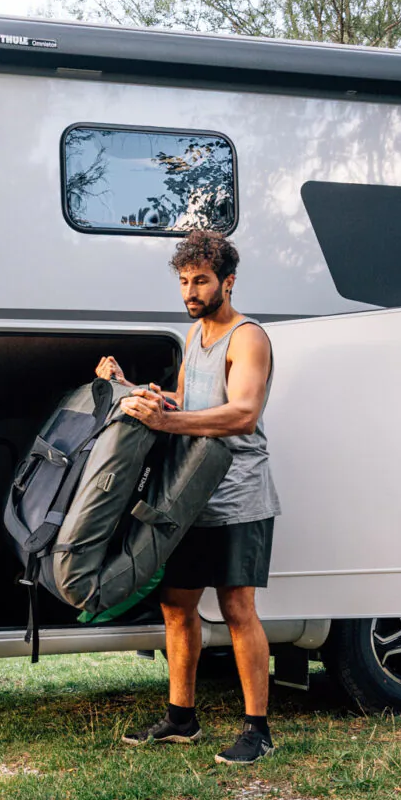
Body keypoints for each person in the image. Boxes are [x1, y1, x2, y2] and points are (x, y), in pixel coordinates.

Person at [97, 229, 281, 765]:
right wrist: (132, 387)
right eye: (184, 281)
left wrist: (171, 421)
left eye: (200, 280)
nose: (191, 291)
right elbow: (188, 399)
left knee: (237, 607)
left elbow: (242, 412)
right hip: (190, 496)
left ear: (228, 281)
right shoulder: (193, 334)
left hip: (239, 497)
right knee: (176, 604)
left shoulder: (248, 338)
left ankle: (258, 730)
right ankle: (182, 718)